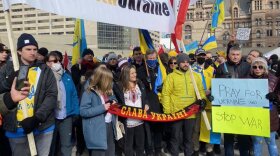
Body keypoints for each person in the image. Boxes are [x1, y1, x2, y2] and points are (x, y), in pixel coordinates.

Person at [0, 33, 57, 156]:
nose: (32, 52)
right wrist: (8, 81)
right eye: (28, 49)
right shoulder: (7, 68)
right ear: (19, 51)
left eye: (35, 49)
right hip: (16, 128)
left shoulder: (45, 69)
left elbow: (51, 95)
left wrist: (37, 118)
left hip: (42, 127)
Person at [162, 53, 207, 156]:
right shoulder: (171, 77)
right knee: (175, 138)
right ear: (178, 63)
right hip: (176, 113)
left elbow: (200, 92)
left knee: (189, 138)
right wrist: (168, 112)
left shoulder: (195, 76)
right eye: (183, 62)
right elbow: (166, 95)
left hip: (191, 113)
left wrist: (203, 100)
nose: (185, 64)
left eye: (187, 62)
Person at [216, 45, 251, 156]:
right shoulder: (222, 67)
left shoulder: (248, 66)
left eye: (237, 55)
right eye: (233, 54)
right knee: (228, 137)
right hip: (228, 107)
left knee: (243, 137)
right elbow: (216, 85)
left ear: (241, 55)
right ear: (229, 55)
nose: (235, 57)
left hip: (244, 106)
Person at [46, 51, 79, 156]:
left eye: (59, 61)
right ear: (47, 62)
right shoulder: (45, 76)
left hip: (66, 115)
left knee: (66, 144)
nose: (58, 63)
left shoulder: (67, 76)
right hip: (51, 117)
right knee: (51, 144)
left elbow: (74, 94)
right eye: (54, 61)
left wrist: (76, 112)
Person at [80, 66, 117, 156]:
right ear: (102, 80)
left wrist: (114, 102)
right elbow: (83, 111)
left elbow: (114, 101)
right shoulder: (88, 93)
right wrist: (102, 108)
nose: (111, 82)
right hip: (96, 130)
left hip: (109, 127)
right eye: (109, 80)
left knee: (110, 152)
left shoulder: (108, 91)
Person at [113, 65, 149, 156]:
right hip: (127, 122)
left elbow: (145, 98)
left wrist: (146, 104)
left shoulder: (139, 84)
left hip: (140, 121)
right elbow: (117, 102)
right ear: (126, 74)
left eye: (135, 72)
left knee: (140, 146)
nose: (135, 75)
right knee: (128, 147)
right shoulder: (119, 86)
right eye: (132, 73)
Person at [246, 57, 279, 156]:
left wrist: (275, 97)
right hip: (253, 117)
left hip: (269, 117)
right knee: (257, 143)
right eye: (255, 67)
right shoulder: (246, 80)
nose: (257, 69)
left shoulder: (274, 80)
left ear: (265, 68)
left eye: (260, 67)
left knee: (271, 143)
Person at [136, 49, 166, 156]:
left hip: (159, 102)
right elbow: (137, 86)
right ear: (146, 58)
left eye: (154, 58)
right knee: (148, 129)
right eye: (150, 59)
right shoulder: (140, 70)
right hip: (147, 102)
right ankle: (149, 149)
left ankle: (158, 149)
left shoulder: (161, 68)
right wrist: (144, 80)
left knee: (158, 128)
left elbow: (166, 81)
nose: (152, 60)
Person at [192, 49, 215, 156]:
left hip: (209, 102)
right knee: (195, 129)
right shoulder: (191, 70)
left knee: (209, 127)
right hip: (196, 103)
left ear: (206, 57)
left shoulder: (212, 69)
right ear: (196, 57)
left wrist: (211, 91)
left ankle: (209, 149)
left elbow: (216, 83)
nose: (201, 57)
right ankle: (196, 148)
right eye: (199, 55)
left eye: (203, 55)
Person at [0, 43, 11, 156]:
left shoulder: (8, 66)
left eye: (6, 52)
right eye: (1, 52)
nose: (4, 54)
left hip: (7, 107)